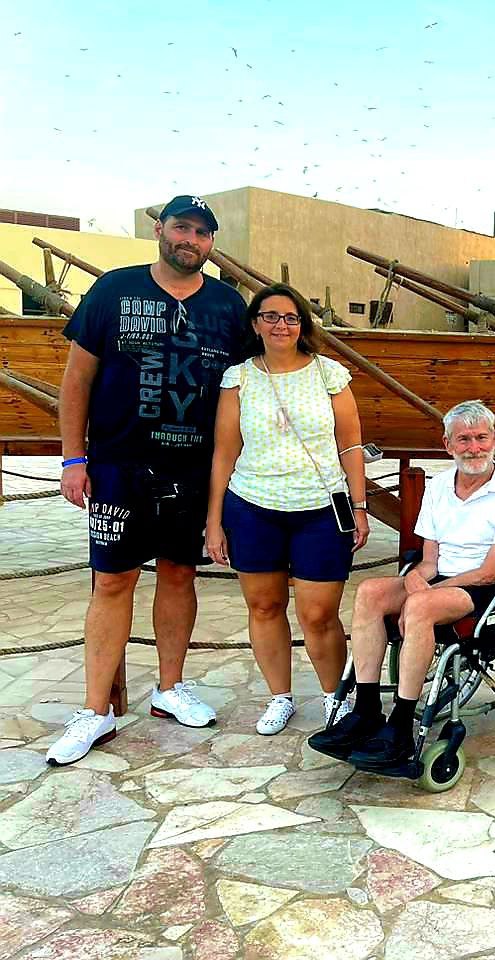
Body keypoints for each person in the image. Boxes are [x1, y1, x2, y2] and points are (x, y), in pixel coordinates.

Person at [48, 195, 248, 766]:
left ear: (212, 243)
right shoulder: (114, 289)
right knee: (112, 581)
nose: (191, 240)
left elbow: (247, 388)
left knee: (181, 574)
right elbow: (76, 381)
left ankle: (170, 686)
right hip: (118, 462)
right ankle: (95, 709)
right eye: (182, 227)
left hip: (195, 467)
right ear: (160, 230)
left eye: (203, 233)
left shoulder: (229, 306)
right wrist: (72, 458)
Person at [307, 400, 495, 777]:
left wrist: (422, 593)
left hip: (494, 588)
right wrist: (416, 577)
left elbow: (489, 571)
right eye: (464, 439)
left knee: (418, 609)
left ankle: (401, 723)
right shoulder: (440, 485)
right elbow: (430, 559)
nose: (473, 447)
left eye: (481, 438)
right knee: (370, 593)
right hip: (443, 578)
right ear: (448, 445)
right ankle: (365, 711)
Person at [206, 283, 370, 736]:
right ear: (256, 324)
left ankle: (336, 695)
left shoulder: (330, 374)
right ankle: (281, 695)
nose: (281, 325)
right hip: (253, 505)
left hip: (320, 508)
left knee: (318, 614)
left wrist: (359, 505)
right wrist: (214, 519)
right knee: (263, 606)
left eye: (291, 317)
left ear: (303, 324)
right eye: (271, 316)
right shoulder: (238, 379)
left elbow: (350, 444)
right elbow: (224, 452)